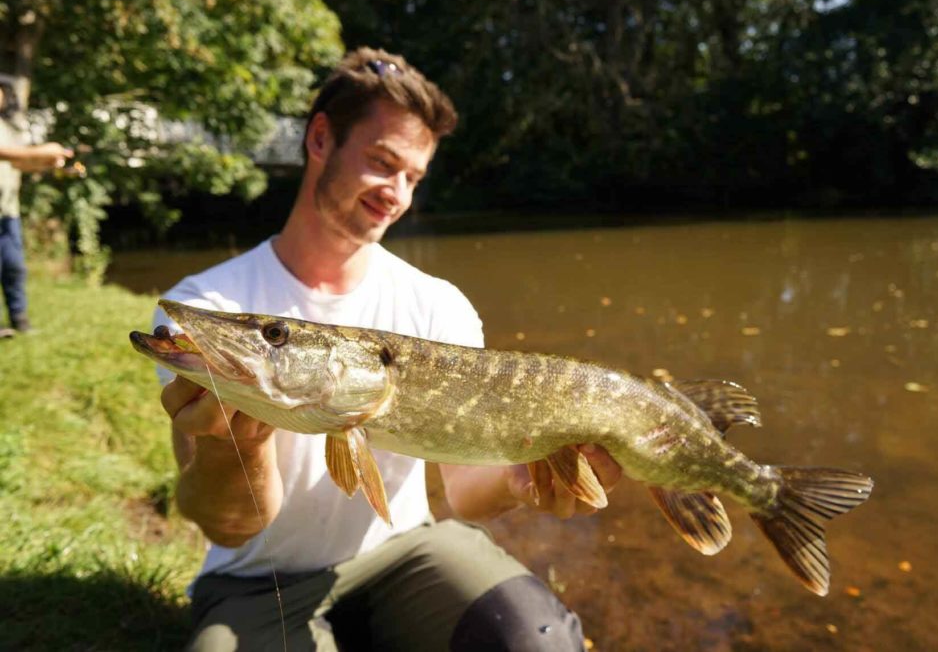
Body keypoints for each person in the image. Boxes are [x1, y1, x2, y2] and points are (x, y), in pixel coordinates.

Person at [154, 47, 622, 651]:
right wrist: (228, 448)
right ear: (320, 139)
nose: (397, 195)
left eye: (413, 177)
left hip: (405, 552)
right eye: (382, 163)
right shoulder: (210, 302)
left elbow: (463, 490)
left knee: (540, 643)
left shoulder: (438, 304)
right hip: (254, 578)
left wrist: (522, 483)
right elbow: (228, 524)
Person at [0, 76, 74, 338]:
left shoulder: (7, 127)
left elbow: (19, 163)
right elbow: (9, 154)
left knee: (14, 267)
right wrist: (39, 151)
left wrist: (48, 163)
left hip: (7, 211)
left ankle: (20, 319)